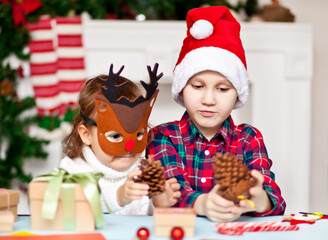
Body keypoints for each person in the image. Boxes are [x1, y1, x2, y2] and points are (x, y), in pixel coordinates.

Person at [146, 6, 286, 222]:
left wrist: (259, 199)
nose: (209, 99)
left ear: (237, 93)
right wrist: (203, 203)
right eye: (198, 86)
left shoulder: (249, 138)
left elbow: (275, 199)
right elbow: (169, 194)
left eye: (222, 89)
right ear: (182, 87)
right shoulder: (163, 136)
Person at [60, 63, 181, 215]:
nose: (129, 146)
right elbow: (71, 210)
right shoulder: (72, 171)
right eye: (116, 136)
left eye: (138, 135)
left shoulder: (144, 171)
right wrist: (118, 197)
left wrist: (159, 203)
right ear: (86, 135)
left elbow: (145, 218)